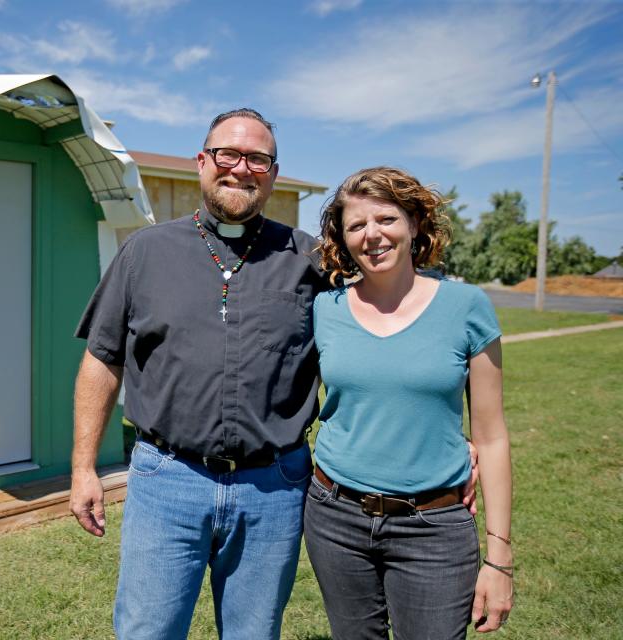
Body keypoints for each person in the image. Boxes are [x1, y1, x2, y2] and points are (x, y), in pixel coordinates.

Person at [68, 108, 327, 639]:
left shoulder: (308, 261)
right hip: (167, 480)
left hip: (273, 488)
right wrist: (82, 469)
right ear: (202, 162)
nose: (241, 168)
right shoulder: (145, 252)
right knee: (148, 631)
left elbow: (375, 340)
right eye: (228, 154)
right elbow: (101, 360)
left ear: (273, 173)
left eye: (258, 158)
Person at [304, 166, 514, 639]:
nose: (372, 235)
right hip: (335, 517)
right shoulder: (325, 309)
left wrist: (499, 558)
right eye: (356, 225)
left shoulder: (467, 307)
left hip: (435, 527)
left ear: (415, 224)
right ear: (343, 238)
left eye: (386, 220)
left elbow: (493, 437)